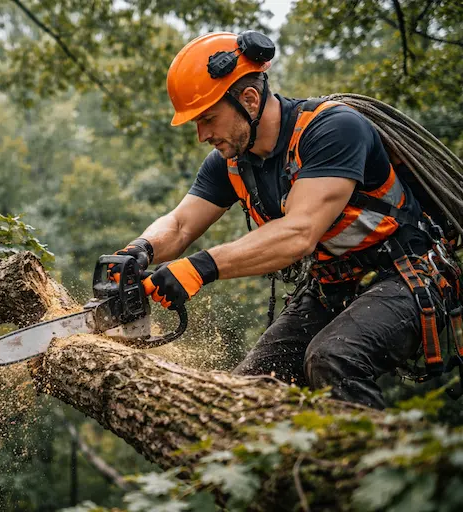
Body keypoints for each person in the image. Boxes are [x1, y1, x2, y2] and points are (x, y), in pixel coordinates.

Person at [113, 31, 460, 409]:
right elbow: (180, 225)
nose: (202, 135)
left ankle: (373, 465)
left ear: (248, 99)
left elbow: (299, 233)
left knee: (333, 359)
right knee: (249, 391)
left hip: (405, 275)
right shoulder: (229, 162)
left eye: (208, 118)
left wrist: (199, 268)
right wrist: (139, 251)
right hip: (334, 285)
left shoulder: (332, 130)